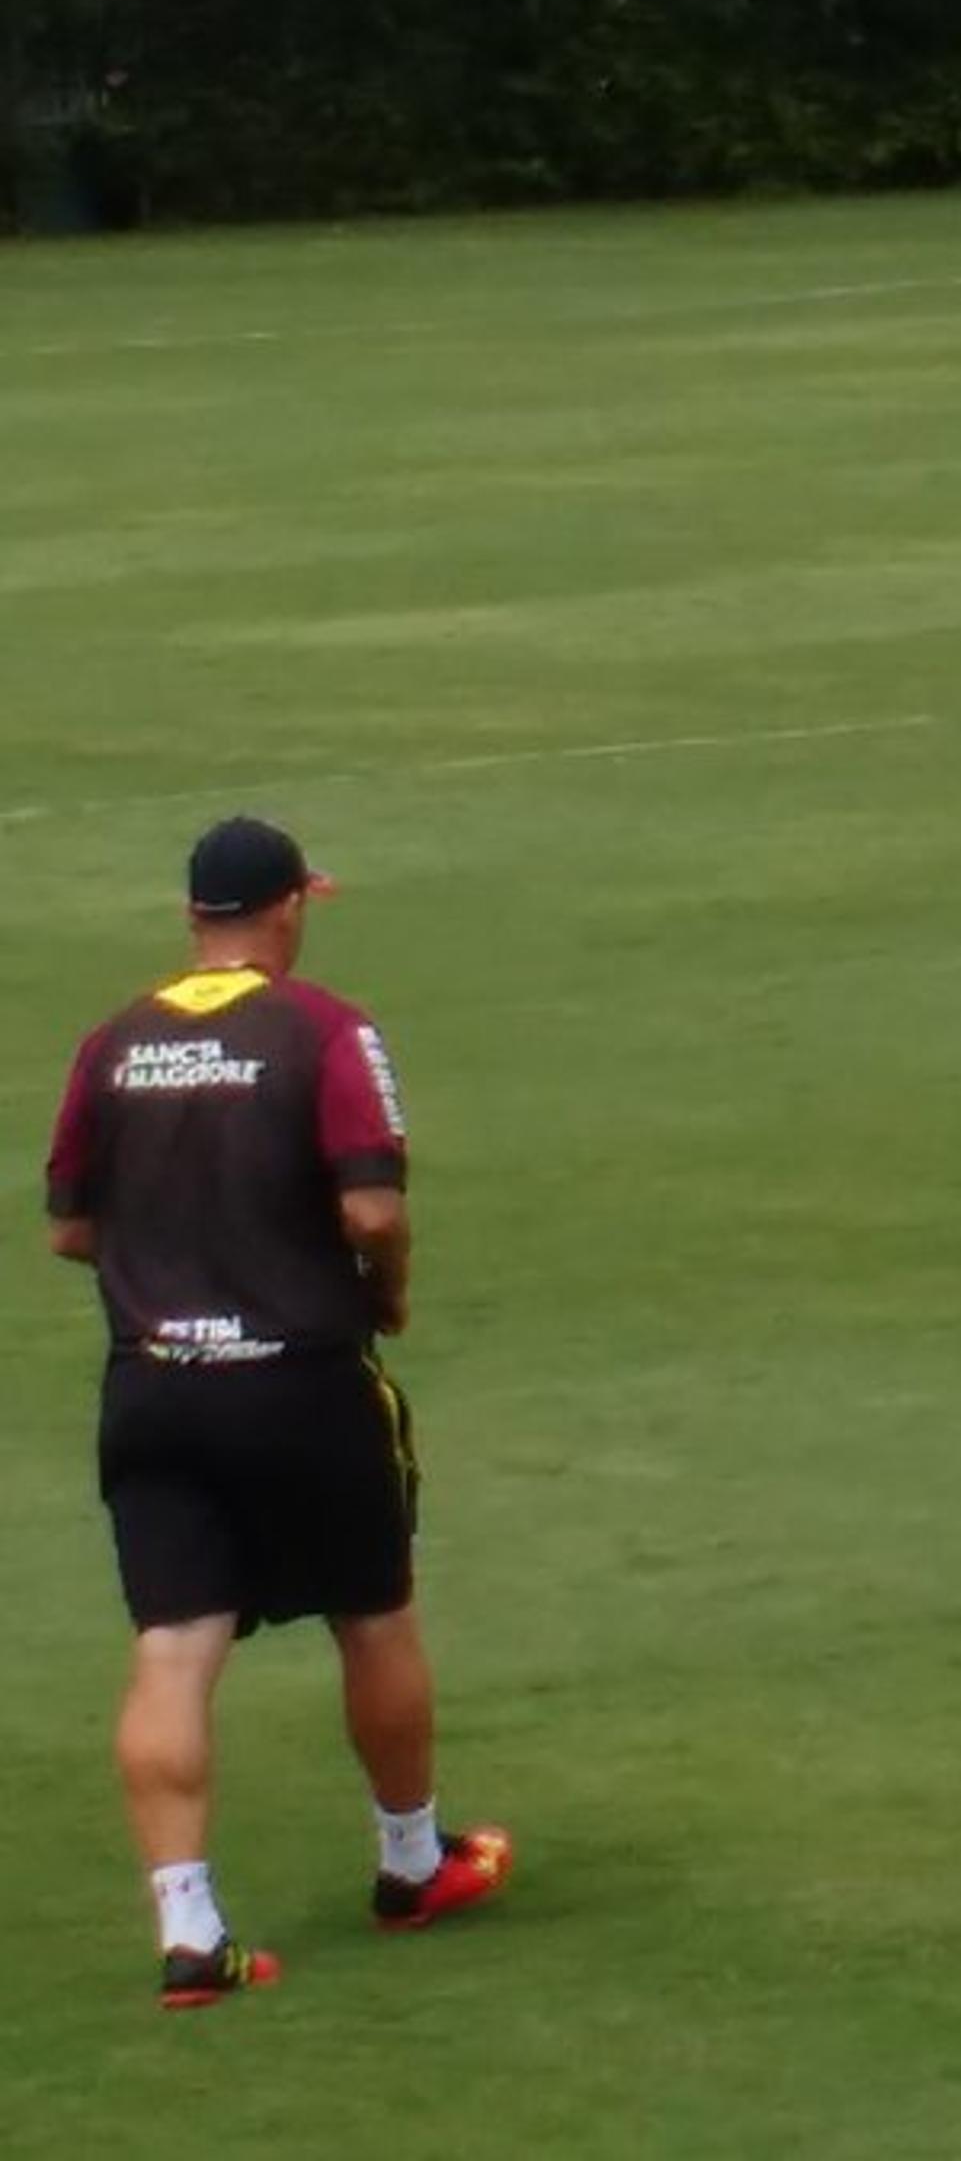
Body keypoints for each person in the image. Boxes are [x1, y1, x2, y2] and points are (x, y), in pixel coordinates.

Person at [40, 818, 511, 2010]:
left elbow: (70, 1228)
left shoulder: (113, 1043)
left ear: (193, 914)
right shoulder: (324, 1030)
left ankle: (189, 1933)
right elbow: (373, 1214)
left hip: (153, 1389)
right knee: (373, 1613)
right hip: (297, 1380)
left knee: (174, 1647)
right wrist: (385, 1295)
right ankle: (412, 1863)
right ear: (292, 906)